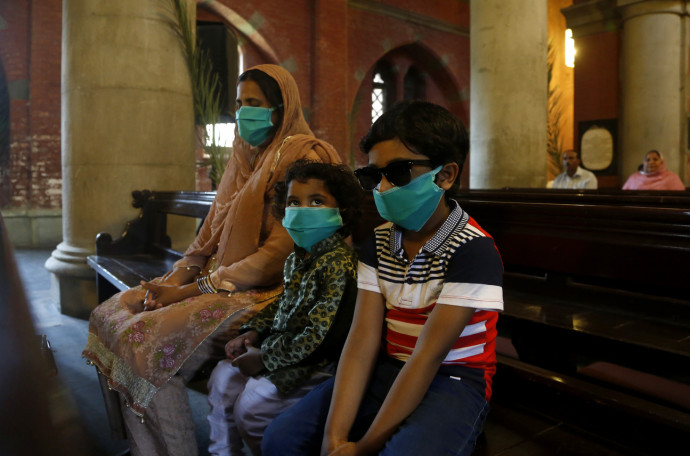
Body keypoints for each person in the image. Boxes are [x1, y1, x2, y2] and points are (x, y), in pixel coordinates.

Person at [82, 64, 341, 456]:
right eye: (238, 103)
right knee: (113, 314)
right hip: (219, 280)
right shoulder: (244, 156)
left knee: (145, 342)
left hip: (265, 293)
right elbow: (207, 237)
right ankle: (145, 447)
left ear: (280, 106)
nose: (242, 112)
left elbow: (274, 258)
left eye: (254, 103)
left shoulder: (305, 157)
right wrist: (172, 282)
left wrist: (188, 290)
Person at [262, 101, 504, 456]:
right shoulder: (380, 240)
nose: (384, 188)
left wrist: (363, 447)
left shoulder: (473, 250)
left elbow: (427, 358)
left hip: (453, 379)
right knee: (280, 440)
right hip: (386, 367)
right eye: (375, 176)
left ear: (446, 175)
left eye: (399, 172)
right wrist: (335, 436)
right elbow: (361, 343)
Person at [206, 159, 361, 456]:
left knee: (252, 405)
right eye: (293, 202)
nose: (302, 210)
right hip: (280, 351)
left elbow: (322, 338)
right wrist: (253, 333)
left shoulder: (339, 263)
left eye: (316, 201)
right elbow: (283, 306)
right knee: (222, 379)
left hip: (314, 365)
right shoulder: (297, 258)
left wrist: (265, 358)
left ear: (341, 210)